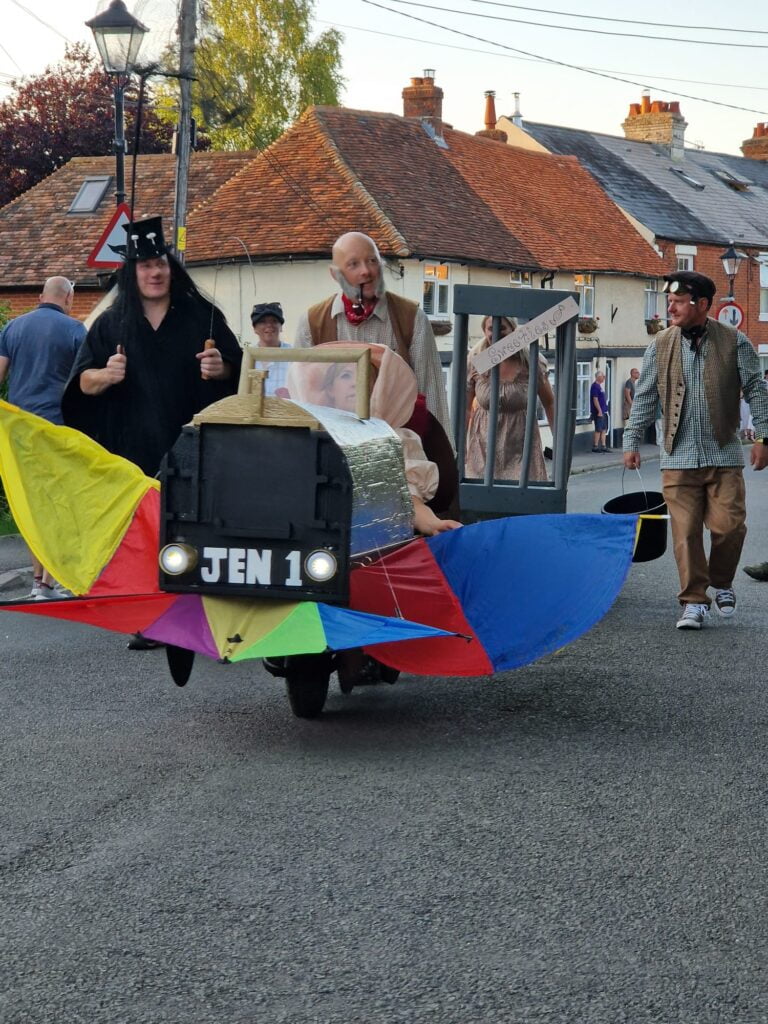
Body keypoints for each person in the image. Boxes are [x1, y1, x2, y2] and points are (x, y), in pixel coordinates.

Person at [62, 216, 242, 648]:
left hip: (195, 448)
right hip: (134, 450)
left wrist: (221, 369)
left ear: (171, 268)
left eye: (160, 263)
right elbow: (79, 385)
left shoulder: (203, 318)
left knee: (194, 533)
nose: (155, 272)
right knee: (144, 538)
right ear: (132, 272)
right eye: (145, 266)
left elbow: (241, 373)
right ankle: (152, 619)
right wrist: (104, 375)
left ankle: (200, 616)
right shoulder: (111, 324)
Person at [623, 270, 768, 630]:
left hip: (724, 456)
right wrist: (631, 440)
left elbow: (757, 389)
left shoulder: (735, 341)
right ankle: (693, 601)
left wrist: (764, 437)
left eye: (678, 302)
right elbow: (645, 396)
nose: (670, 308)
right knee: (685, 534)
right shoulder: (659, 345)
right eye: (669, 301)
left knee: (729, 528)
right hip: (678, 457)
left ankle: (721, 582)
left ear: (702, 304)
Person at [286, 342, 461, 536]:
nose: (355, 383)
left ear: (374, 388)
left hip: (374, 535)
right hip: (313, 534)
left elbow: (407, 496)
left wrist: (431, 523)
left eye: (364, 375)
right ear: (330, 389)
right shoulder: (310, 437)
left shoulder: (393, 438)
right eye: (345, 376)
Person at [294, 231, 451, 439]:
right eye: (353, 264)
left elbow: (432, 395)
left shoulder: (411, 318)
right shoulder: (312, 323)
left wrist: (442, 451)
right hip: (332, 445)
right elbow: (302, 400)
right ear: (335, 274)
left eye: (372, 261)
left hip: (397, 445)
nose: (366, 271)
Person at [0, 276, 86, 600]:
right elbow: (85, 382)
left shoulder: (12, 328)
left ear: (40, 296)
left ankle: (38, 581)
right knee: (60, 502)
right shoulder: (75, 330)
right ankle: (49, 583)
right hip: (56, 428)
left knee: (32, 504)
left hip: (20, 429)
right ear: (68, 300)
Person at [465, 315, 555, 481]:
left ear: (513, 330)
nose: (496, 333)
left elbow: (550, 403)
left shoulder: (531, 362)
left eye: (502, 328)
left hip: (521, 448)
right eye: (491, 328)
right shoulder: (475, 361)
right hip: (482, 449)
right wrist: (459, 446)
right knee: (481, 495)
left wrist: (559, 441)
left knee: (521, 495)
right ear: (484, 331)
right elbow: (465, 408)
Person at [249, 301, 291, 396]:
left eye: (274, 321)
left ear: (281, 327)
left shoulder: (294, 356)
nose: (269, 325)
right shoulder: (248, 357)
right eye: (262, 322)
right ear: (255, 329)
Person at [590, 371, 609, 452]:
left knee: (604, 428)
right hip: (599, 412)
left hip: (603, 411)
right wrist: (599, 411)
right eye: (603, 376)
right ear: (598, 377)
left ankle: (604, 446)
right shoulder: (595, 387)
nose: (604, 378)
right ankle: (595, 446)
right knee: (598, 429)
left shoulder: (600, 386)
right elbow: (595, 400)